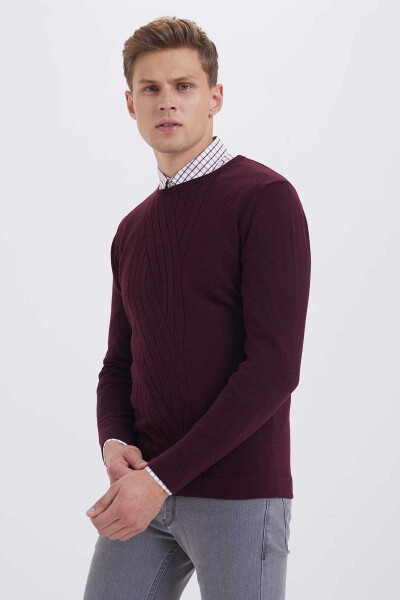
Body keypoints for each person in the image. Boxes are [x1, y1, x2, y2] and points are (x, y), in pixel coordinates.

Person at [83, 15, 311, 600]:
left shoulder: (264, 199)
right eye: (151, 89)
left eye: (184, 86)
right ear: (130, 104)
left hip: (238, 493)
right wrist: (114, 443)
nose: (167, 101)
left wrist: (161, 478)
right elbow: (118, 365)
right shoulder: (132, 229)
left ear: (215, 98)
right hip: (144, 494)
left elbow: (274, 368)